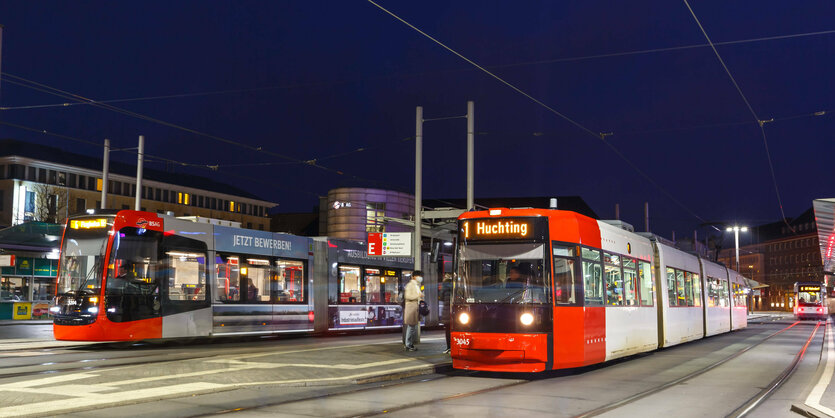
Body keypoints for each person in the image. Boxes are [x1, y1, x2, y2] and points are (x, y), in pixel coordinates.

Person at [403, 270, 424, 351]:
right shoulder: (410, 285)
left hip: (414, 307)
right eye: (418, 276)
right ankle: (408, 345)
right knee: (411, 327)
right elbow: (407, 296)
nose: (420, 277)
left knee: (413, 327)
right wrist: (418, 296)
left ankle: (409, 344)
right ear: (414, 277)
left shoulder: (416, 285)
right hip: (411, 308)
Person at [440, 273, 453, 354]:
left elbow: (441, 297)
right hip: (454, 312)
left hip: (446, 311)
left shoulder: (444, 286)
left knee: (447, 331)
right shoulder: (454, 285)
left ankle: (449, 347)